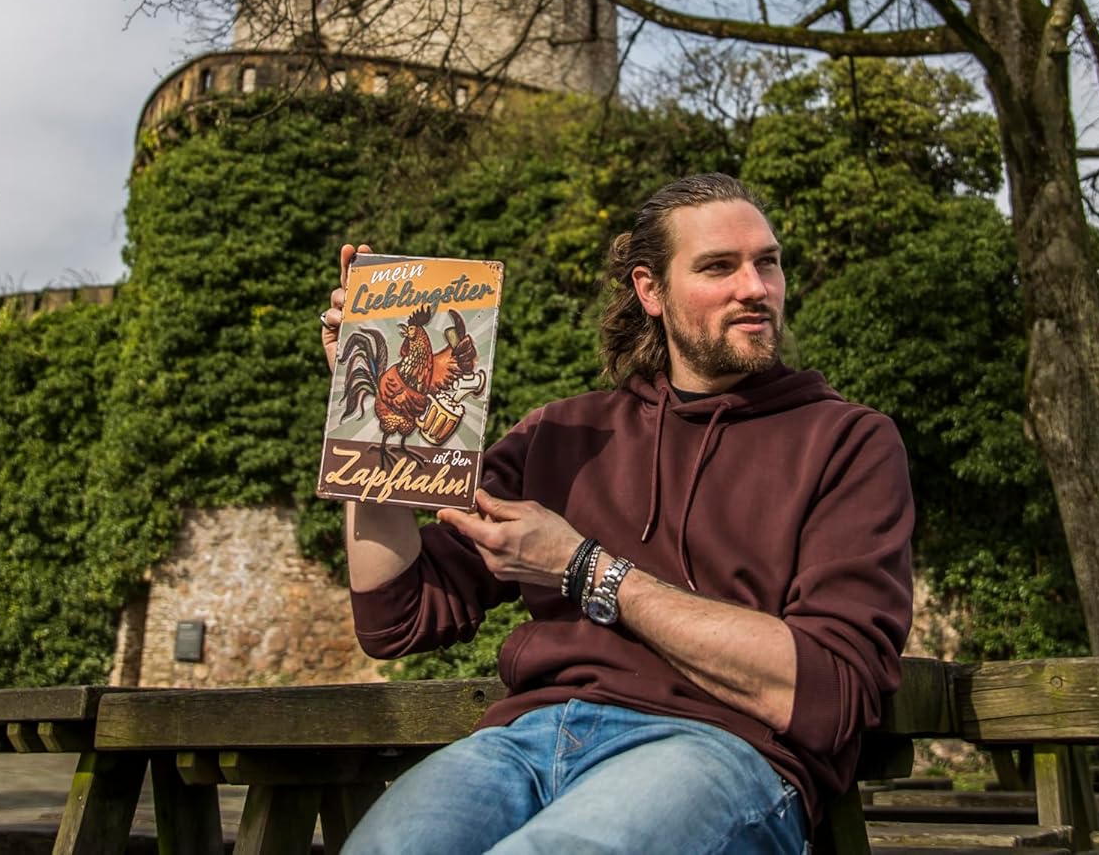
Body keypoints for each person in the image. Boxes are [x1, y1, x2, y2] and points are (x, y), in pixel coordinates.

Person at [319, 173, 914, 855]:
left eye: (767, 262)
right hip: (524, 742)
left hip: (718, 751)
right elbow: (397, 615)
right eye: (719, 267)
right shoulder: (562, 436)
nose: (756, 288)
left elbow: (829, 691)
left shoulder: (847, 442)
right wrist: (366, 425)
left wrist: (583, 566)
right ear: (650, 290)